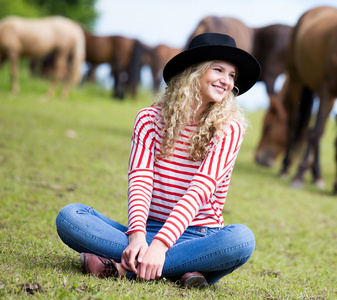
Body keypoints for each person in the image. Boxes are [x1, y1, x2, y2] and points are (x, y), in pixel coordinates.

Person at [55, 33, 261, 288]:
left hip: (200, 236)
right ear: (192, 72)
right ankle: (186, 269)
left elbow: (201, 188)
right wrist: (137, 237)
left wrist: (161, 246)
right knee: (70, 216)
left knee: (241, 239)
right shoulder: (149, 119)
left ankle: (121, 268)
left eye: (232, 75)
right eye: (218, 70)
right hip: (146, 229)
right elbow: (140, 180)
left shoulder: (229, 127)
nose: (226, 81)